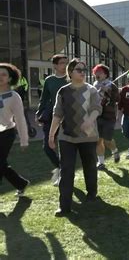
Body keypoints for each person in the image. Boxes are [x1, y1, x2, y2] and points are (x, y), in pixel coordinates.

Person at [48, 59, 102, 217]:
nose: (82, 72)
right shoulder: (63, 91)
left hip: (88, 136)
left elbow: (96, 108)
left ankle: (92, 193)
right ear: (70, 72)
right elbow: (57, 114)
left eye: (84, 69)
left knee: (90, 166)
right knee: (66, 170)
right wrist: (52, 134)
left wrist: (89, 120)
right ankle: (64, 206)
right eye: (79, 69)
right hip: (67, 137)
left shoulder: (91, 90)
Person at [36, 54, 68, 186]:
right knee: (47, 147)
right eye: (62, 63)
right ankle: (60, 167)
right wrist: (39, 112)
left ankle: (63, 174)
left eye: (66, 62)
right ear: (54, 65)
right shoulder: (49, 80)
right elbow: (44, 98)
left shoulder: (70, 79)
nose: (65, 65)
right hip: (51, 116)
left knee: (64, 148)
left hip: (68, 117)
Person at [0, 63, 30, 197]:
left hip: (6, 134)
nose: (0, 77)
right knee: (2, 165)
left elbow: (20, 119)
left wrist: (24, 140)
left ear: (10, 78)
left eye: (3, 74)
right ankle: (20, 184)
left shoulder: (13, 96)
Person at [92, 64, 120, 171]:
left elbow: (117, 99)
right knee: (98, 140)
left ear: (105, 74)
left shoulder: (112, 85)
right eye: (96, 72)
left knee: (107, 140)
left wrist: (107, 91)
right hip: (97, 116)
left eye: (99, 72)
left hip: (109, 116)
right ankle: (101, 162)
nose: (97, 74)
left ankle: (115, 151)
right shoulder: (94, 85)